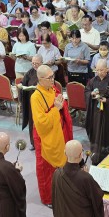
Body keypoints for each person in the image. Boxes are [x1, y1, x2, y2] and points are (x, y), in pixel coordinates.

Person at [31, 65, 73, 206]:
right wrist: (56, 108)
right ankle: (48, 198)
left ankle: (62, 190)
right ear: (40, 79)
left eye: (53, 76)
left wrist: (60, 103)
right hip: (45, 137)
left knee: (63, 164)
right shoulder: (36, 97)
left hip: (59, 132)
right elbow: (41, 122)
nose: (52, 80)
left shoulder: (52, 89)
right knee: (47, 169)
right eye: (49, 78)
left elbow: (60, 106)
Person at [18, 55, 42, 150]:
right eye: (33, 63)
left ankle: (42, 143)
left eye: (37, 63)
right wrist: (21, 85)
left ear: (42, 63)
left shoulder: (45, 72)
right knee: (32, 123)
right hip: (31, 102)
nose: (34, 65)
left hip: (42, 103)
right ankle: (33, 143)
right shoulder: (30, 72)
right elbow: (23, 82)